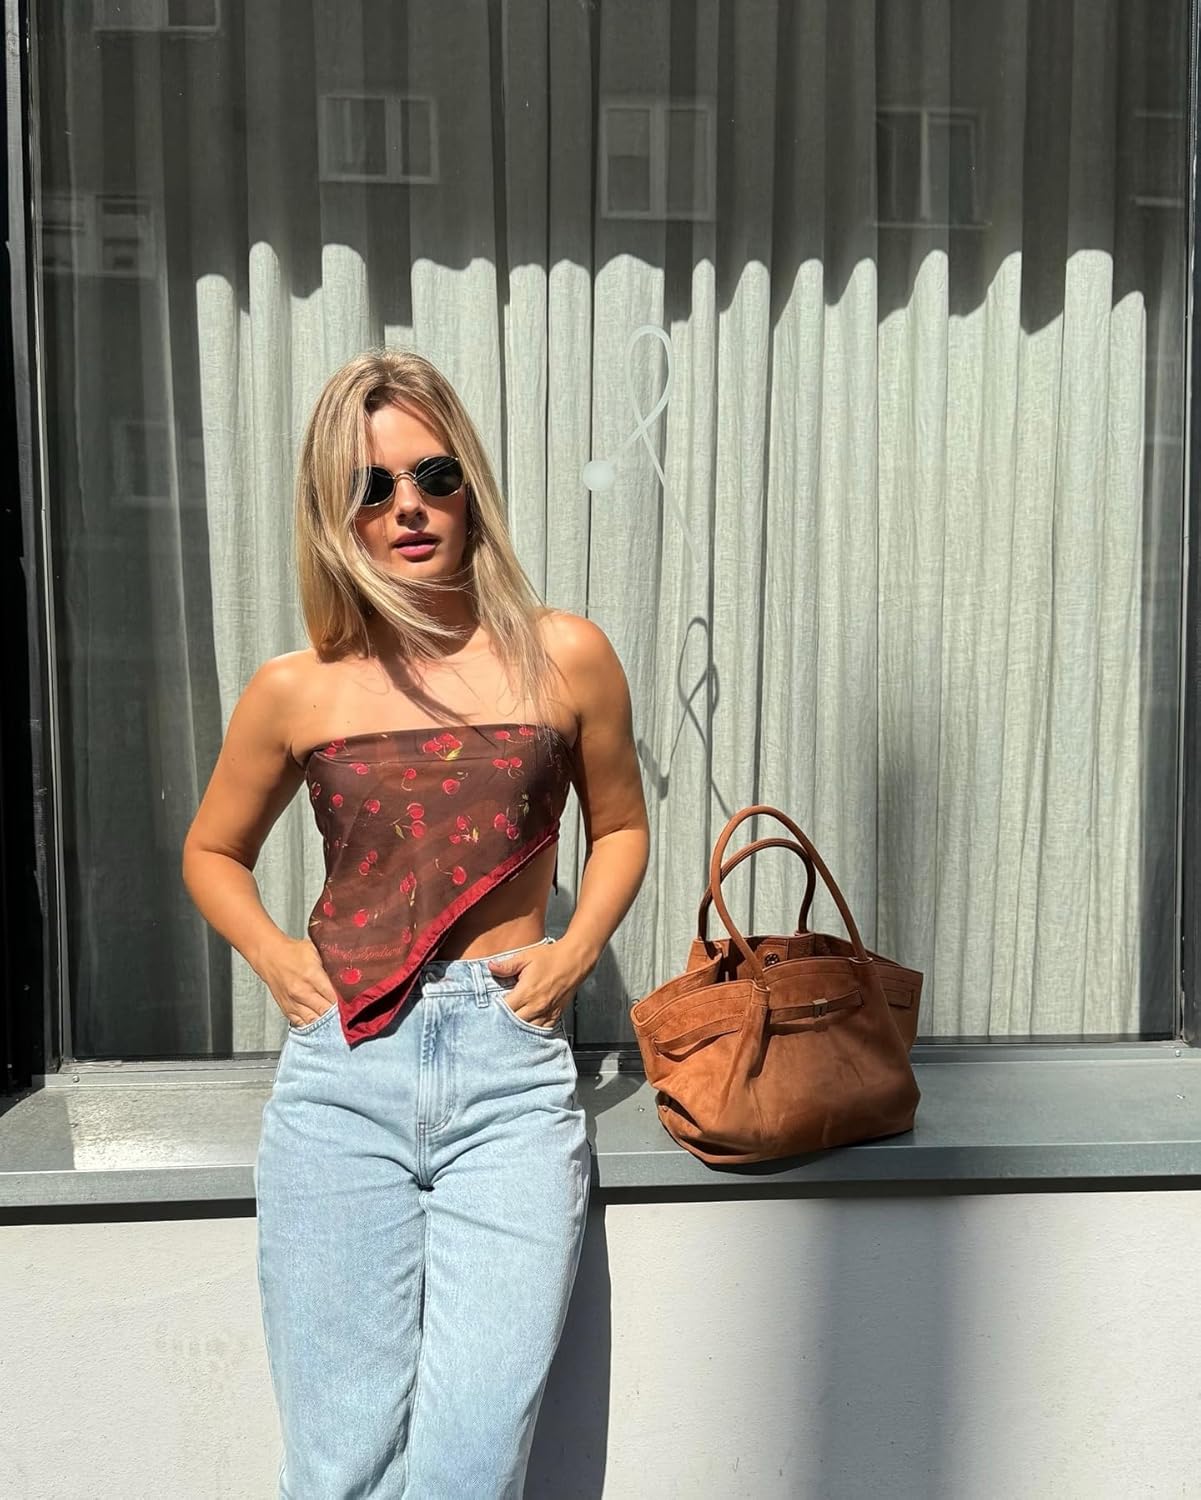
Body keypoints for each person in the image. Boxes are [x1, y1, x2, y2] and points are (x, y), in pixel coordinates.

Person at [181, 349, 649, 1498]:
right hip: (343, 1076)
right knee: (340, 1464)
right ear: (332, 513)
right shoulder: (296, 687)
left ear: (470, 486)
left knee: (473, 1462)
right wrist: (275, 956)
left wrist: (576, 950)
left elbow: (622, 828)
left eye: (434, 476)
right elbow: (210, 852)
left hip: (510, 1079)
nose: (407, 508)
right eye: (370, 487)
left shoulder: (565, 654)